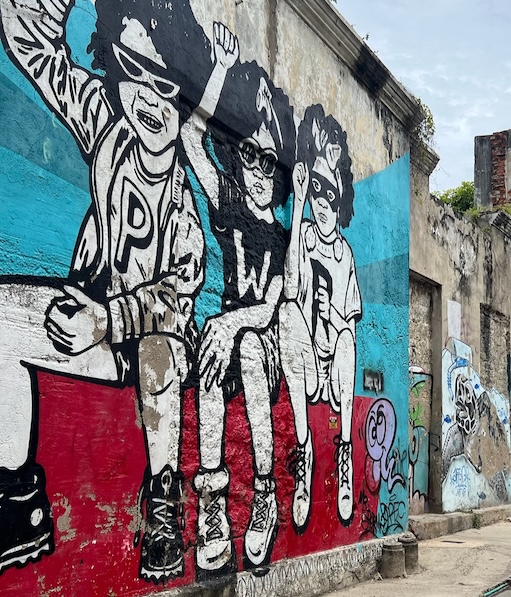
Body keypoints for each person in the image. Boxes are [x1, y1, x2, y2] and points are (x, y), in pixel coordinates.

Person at [0, 0, 208, 581]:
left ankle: (163, 503)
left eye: (164, 82)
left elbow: (178, 293)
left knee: (160, 348)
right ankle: (19, 506)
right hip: (89, 321)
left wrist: (107, 320)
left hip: (144, 346)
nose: (148, 98)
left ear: (184, 100)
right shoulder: (107, 125)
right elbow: (42, 57)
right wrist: (36, 13)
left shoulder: (184, 213)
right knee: (3, 313)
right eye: (132, 72)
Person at [181, 23, 296, 574]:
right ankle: (210, 503)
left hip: (262, 346)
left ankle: (266, 495)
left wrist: (232, 326)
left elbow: (272, 306)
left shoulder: (282, 236)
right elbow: (188, 138)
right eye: (250, 157)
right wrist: (220, 71)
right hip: (224, 341)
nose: (259, 171)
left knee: (246, 341)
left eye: (269, 163)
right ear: (238, 156)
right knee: (216, 343)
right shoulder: (226, 202)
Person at [279, 104, 360, 530]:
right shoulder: (305, 234)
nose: (323, 204)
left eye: (332, 194)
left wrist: (331, 325)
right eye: (317, 191)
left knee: (348, 339)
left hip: (333, 369)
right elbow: (291, 286)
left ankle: (344, 452)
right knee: (290, 314)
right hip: (306, 359)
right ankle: (304, 452)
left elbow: (348, 324)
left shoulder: (345, 254)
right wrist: (296, 212)